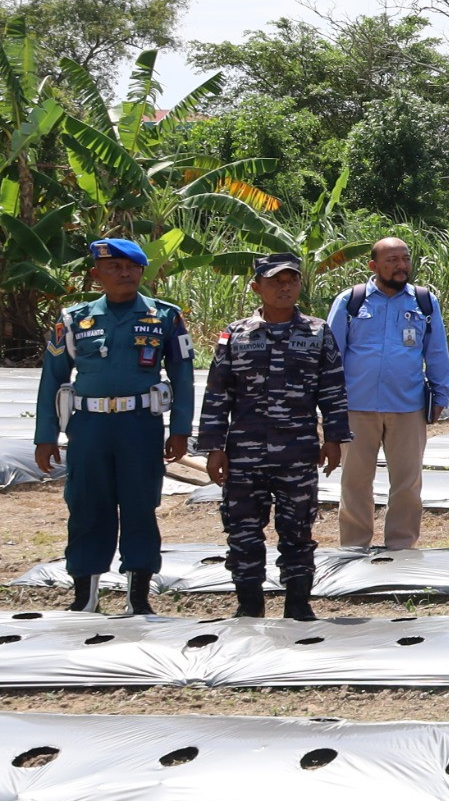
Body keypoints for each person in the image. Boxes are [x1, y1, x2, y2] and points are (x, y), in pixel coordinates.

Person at [36, 238, 196, 615]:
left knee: (140, 505)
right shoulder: (74, 319)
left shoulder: (166, 317)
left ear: (143, 271)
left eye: (132, 267)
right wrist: (45, 436)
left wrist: (181, 430)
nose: (124, 273)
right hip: (88, 427)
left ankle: (138, 596)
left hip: (140, 425)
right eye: (114, 267)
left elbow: (183, 375)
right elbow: (52, 377)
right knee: (87, 505)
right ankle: (84, 596)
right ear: (96, 274)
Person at [198, 253, 348, 621]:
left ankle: (298, 602)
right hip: (244, 452)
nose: (285, 287)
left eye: (292, 280)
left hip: (298, 451)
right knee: (243, 529)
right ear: (256, 287)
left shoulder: (317, 332)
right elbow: (218, 392)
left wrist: (334, 437)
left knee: (298, 528)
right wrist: (214, 448)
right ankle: (249, 603)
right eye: (276, 281)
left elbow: (332, 388)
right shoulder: (235, 334)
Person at [326, 236, 449, 552]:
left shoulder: (423, 302)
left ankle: (401, 545)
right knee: (355, 482)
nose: (401, 266)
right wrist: (327, 403)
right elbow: (330, 355)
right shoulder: (350, 301)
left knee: (407, 484)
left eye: (405, 259)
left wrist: (441, 394)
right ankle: (354, 546)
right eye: (392, 260)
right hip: (356, 406)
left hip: (407, 406)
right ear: (373, 266)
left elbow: (436, 352)